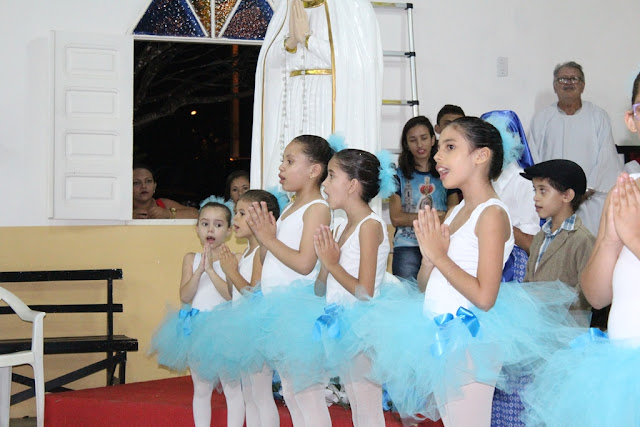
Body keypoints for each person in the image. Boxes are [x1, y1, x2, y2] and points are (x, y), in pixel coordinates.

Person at [352, 118, 580, 426]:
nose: (437, 155)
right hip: (439, 329)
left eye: (450, 147)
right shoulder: (456, 211)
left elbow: (485, 297)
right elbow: (425, 285)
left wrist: (438, 256)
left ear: (481, 156)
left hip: (471, 336)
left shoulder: (492, 214)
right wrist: (430, 260)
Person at [523, 71, 640, 427]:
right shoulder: (627, 189)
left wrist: (634, 238)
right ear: (632, 120)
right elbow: (597, 295)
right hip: (623, 360)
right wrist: (611, 240)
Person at [250, 0, 382, 191]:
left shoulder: (353, 6)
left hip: (329, 96)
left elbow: (358, 63)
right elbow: (270, 65)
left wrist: (308, 39)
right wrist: (290, 42)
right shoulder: (289, 7)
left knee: (326, 158)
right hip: (294, 96)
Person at [247, 134, 333, 426]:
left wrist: (269, 239)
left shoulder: (317, 208)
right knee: (292, 393)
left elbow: (305, 264)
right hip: (278, 311)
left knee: (308, 395)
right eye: (283, 160)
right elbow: (269, 258)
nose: (281, 167)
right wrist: (265, 239)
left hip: (300, 312)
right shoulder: (290, 207)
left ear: (314, 170)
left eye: (290, 161)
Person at [313, 148, 393, 427]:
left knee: (368, 409)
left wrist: (332, 263)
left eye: (331, 176)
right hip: (338, 322)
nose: (324, 183)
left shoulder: (370, 226)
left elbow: (365, 292)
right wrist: (325, 263)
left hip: (362, 328)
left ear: (352, 185)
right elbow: (320, 289)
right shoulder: (340, 227)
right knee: (357, 407)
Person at [149, 202, 244, 427]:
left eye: (218, 225)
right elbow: (185, 295)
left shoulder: (234, 258)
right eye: (205, 224)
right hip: (196, 330)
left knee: (232, 388)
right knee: (201, 389)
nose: (211, 230)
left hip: (226, 330)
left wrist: (211, 270)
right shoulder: (191, 258)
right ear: (197, 228)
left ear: (229, 231)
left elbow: (230, 295)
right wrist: (200, 269)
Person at [528, 61, 622, 235]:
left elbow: (606, 159)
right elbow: (534, 158)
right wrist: (554, 193)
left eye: (574, 79)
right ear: (555, 86)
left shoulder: (598, 117)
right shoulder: (542, 119)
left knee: (588, 244)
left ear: (583, 86)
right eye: (563, 79)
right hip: (552, 200)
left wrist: (582, 192)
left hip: (590, 200)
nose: (569, 83)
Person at [218, 190, 281, 427]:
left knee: (261, 395)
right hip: (242, 330)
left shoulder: (261, 252)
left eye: (242, 213)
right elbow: (233, 294)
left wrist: (231, 271)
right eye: (236, 212)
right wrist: (229, 271)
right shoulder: (246, 252)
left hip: (257, 332)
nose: (235, 218)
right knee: (250, 396)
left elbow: (254, 295)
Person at [521, 159, 595, 322]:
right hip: (536, 325)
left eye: (543, 191)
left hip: (566, 329)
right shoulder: (540, 236)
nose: (535, 197)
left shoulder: (583, 240)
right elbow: (529, 282)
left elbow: (587, 295)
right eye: (535, 190)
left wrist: (550, 300)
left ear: (567, 195)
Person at [390, 116, 458, 279]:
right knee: (407, 294)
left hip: (440, 246)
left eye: (424, 138)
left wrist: (412, 218)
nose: (419, 145)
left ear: (433, 140)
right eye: (413, 140)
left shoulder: (447, 174)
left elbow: (454, 214)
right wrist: (437, 217)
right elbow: (396, 218)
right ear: (406, 144)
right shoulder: (397, 176)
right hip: (407, 247)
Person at [481, 110, 539, 281]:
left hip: (511, 269)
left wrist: (496, 225)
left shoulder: (524, 182)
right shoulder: (482, 179)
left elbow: (531, 243)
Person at [132, 164, 198, 219]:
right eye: (136, 183)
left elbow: (196, 214)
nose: (143, 186)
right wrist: (129, 217)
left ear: (154, 186)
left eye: (148, 181)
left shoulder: (163, 204)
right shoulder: (125, 209)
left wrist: (168, 214)